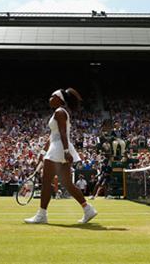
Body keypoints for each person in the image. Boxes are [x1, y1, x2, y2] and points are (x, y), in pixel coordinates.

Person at [25, 88, 97, 224]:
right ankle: (88, 209)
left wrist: (65, 151)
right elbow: (53, 136)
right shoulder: (58, 113)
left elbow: (63, 133)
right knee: (67, 183)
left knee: (46, 181)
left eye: (53, 96)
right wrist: (42, 152)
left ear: (59, 99)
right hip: (58, 147)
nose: (50, 98)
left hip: (59, 148)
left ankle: (41, 215)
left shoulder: (59, 112)